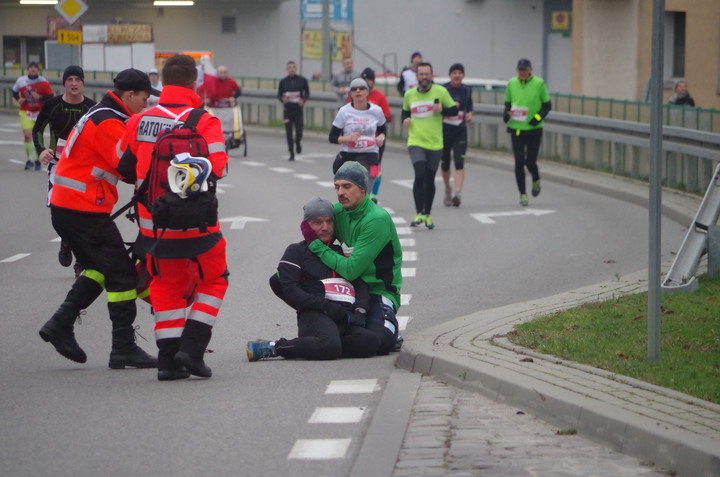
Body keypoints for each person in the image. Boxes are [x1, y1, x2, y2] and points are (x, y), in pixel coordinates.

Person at [118, 54, 230, 381]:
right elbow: (219, 167)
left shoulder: (139, 120)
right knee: (216, 278)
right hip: (199, 225)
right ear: (194, 83)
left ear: (162, 84)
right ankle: (193, 349)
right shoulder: (205, 121)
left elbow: (120, 165)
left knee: (165, 284)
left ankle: (168, 362)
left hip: (155, 227)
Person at [39, 68, 160, 370]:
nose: (145, 106)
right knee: (121, 274)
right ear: (129, 95)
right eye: (143, 99)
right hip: (81, 208)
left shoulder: (105, 113)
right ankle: (123, 348)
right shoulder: (107, 121)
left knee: (98, 269)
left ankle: (60, 323)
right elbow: (128, 167)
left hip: (72, 207)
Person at [246, 197, 381, 361]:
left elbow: (359, 284)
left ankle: (320, 345)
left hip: (343, 316)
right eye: (318, 222)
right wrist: (326, 306)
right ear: (306, 225)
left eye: (329, 222)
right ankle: (273, 348)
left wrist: (360, 310)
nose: (325, 227)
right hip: (315, 314)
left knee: (371, 342)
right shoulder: (296, 251)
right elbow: (290, 290)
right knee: (329, 347)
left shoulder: (340, 252)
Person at [307, 162, 403, 355]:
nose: (340, 192)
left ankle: (330, 341)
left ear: (362, 189)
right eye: (337, 187)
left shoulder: (376, 219)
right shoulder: (336, 212)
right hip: (347, 289)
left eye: (347, 186)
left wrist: (315, 244)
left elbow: (352, 270)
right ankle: (330, 340)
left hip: (378, 290)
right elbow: (311, 226)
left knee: (380, 342)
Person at [32, 65, 96, 271]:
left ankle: (80, 259)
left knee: (82, 212)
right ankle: (66, 240)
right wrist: (41, 150)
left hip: (83, 166)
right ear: (64, 83)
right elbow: (37, 130)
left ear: (83, 83)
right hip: (57, 164)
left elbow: (100, 136)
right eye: (70, 80)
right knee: (58, 209)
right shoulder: (52, 105)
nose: (74, 83)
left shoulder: (92, 108)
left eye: (78, 79)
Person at [401, 62, 458, 229]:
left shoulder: (441, 92)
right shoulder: (410, 94)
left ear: (431, 76)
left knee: (430, 178)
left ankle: (427, 214)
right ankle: (418, 212)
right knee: (420, 175)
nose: (424, 77)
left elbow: (454, 111)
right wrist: (405, 119)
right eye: (421, 74)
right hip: (416, 141)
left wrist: (442, 110)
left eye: (427, 74)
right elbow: (405, 111)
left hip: (435, 143)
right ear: (417, 76)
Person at [503, 58, 551, 206]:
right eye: (520, 70)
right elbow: (508, 103)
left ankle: (535, 178)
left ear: (530, 70)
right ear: (517, 70)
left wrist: (536, 118)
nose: (522, 73)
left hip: (534, 130)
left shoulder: (539, 83)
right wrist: (506, 113)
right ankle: (523, 194)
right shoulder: (512, 83)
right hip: (517, 129)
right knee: (518, 162)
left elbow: (547, 105)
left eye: (525, 70)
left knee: (530, 162)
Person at [329, 78, 387, 194]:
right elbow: (332, 137)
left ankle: (366, 208)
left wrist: (381, 137)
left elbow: (383, 131)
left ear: (367, 92)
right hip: (350, 155)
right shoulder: (344, 112)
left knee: (365, 192)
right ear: (350, 93)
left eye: (361, 88)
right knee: (351, 192)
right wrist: (348, 138)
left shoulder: (376, 111)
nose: (358, 91)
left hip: (371, 155)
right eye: (354, 89)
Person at [441, 63, 473, 207]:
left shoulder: (466, 89)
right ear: (450, 75)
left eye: (459, 73)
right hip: (444, 130)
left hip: (460, 130)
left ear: (463, 75)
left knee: (459, 162)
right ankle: (448, 187)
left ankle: (458, 193)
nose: (457, 75)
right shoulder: (443, 89)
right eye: (454, 72)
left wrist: (470, 113)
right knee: (445, 163)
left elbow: (469, 106)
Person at [358, 67, 392, 203]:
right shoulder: (356, 95)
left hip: (377, 139)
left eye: (369, 79)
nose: (367, 82)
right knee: (360, 168)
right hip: (359, 140)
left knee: (375, 167)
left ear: (373, 81)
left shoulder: (380, 97)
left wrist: (376, 115)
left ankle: (373, 195)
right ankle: (362, 193)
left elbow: (388, 116)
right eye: (364, 79)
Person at [11, 61, 54, 170]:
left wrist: (40, 98)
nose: (33, 69)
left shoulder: (43, 82)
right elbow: (14, 91)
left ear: (38, 70)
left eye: (35, 67)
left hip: (39, 112)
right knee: (27, 135)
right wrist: (18, 99)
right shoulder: (21, 81)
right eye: (31, 67)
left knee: (37, 136)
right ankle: (30, 159)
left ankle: (36, 159)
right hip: (26, 111)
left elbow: (50, 96)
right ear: (28, 69)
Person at [277, 60, 310, 161]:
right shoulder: (283, 82)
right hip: (287, 110)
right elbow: (279, 95)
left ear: (296, 69)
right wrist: (283, 99)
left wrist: (303, 100)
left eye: (293, 67)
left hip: (298, 110)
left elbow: (307, 93)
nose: (292, 69)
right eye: (290, 68)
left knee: (299, 131)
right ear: (287, 69)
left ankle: (298, 142)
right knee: (289, 132)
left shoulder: (302, 80)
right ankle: (291, 152)